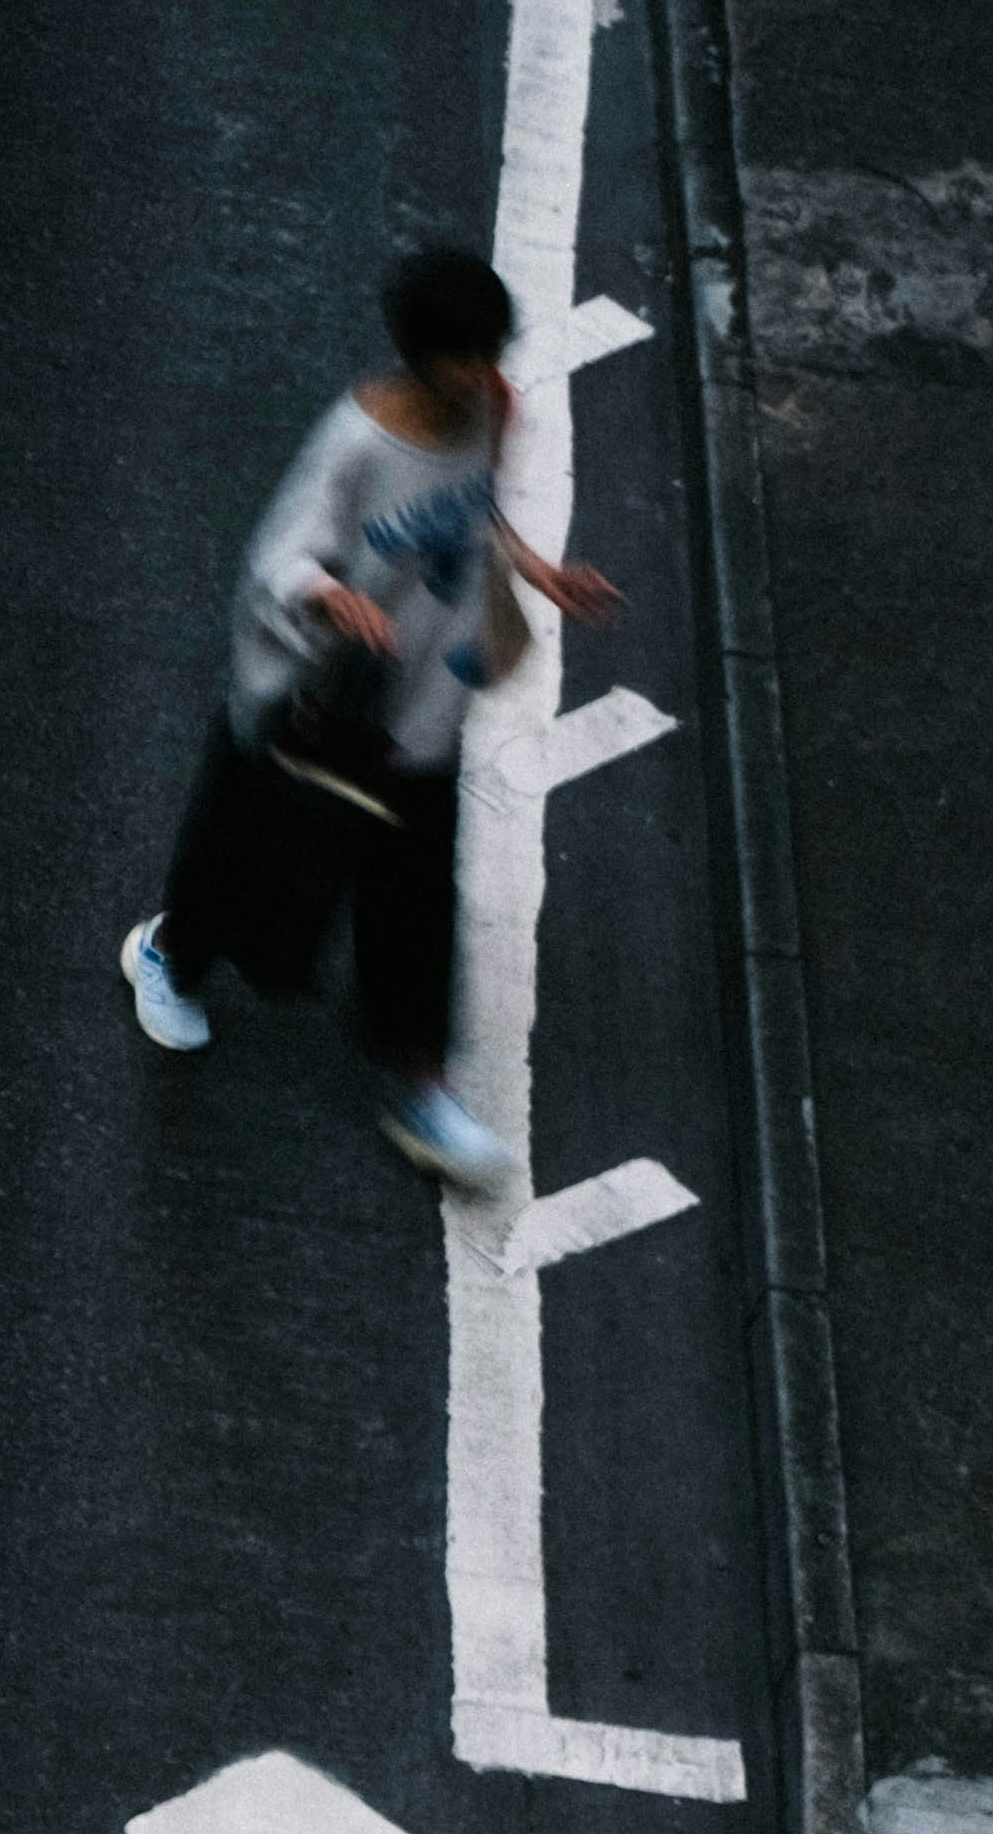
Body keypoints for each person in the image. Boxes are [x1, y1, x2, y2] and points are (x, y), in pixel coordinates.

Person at [118, 242, 622, 1187]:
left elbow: (477, 513)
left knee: (415, 891)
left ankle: (418, 1080)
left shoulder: (489, 411)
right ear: (421, 355)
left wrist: (540, 575)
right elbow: (278, 554)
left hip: (422, 701)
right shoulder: (357, 443)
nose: (486, 377)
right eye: (466, 358)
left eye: (492, 354)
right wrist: (329, 597)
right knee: (253, 861)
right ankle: (172, 952)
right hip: (314, 708)